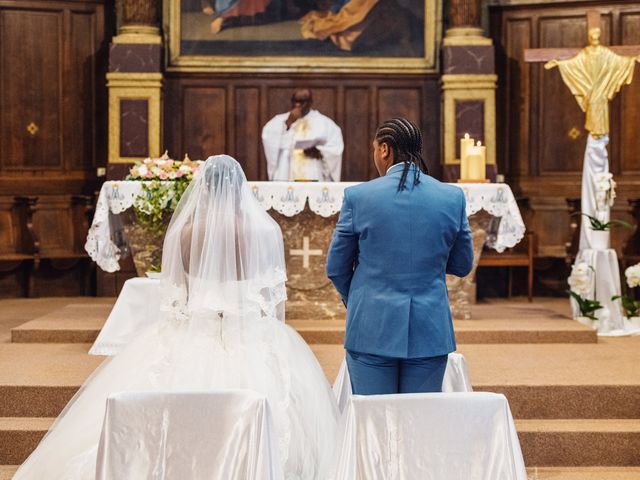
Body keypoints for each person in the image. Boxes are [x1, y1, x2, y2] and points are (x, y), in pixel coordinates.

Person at [14, 156, 338, 479]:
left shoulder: (184, 233)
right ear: (241, 187)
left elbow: (176, 296)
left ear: (204, 189)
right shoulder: (264, 232)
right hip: (248, 330)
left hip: (196, 328)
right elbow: (269, 298)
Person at [326, 118, 474, 395]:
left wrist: (360, 297)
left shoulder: (359, 196)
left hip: (371, 325)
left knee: (373, 421)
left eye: (374, 149)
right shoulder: (452, 197)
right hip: (429, 327)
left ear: (384, 149)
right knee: (419, 421)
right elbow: (462, 265)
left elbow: (336, 267)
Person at [262, 88, 344, 182]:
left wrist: (319, 151)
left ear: (310, 102)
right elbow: (268, 138)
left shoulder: (324, 123)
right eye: (295, 101)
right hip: (287, 172)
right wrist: (288, 123)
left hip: (312, 171)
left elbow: (336, 147)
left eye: (301, 101)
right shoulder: (279, 121)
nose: (297, 105)